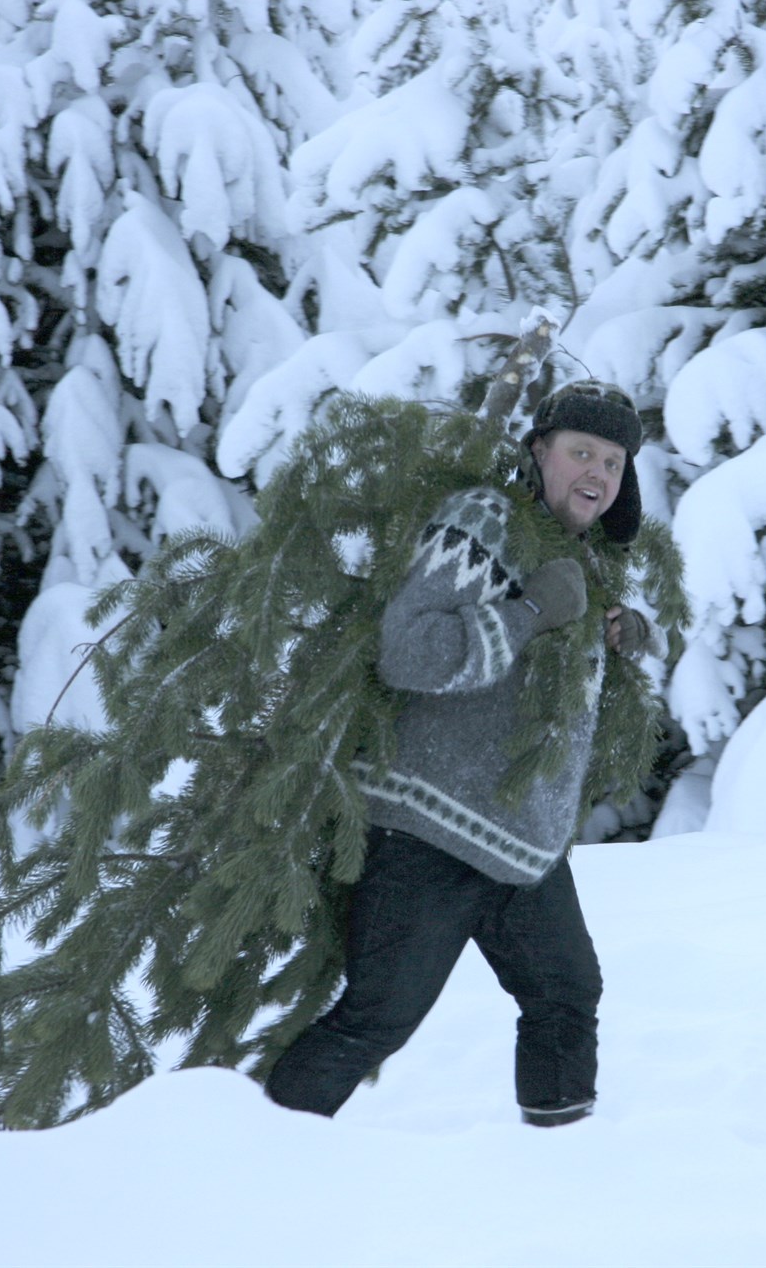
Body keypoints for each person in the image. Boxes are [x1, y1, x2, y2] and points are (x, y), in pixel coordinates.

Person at [264, 381, 662, 1127]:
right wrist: (530, 612)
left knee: (566, 992)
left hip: (523, 844)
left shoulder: (580, 555)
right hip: (430, 830)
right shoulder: (483, 521)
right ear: (539, 451)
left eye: (613, 463)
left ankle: (561, 1169)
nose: (598, 475)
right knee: (377, 1020)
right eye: (582, 452)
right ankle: (257, 1158)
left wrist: (620, 632)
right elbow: (409, 654)